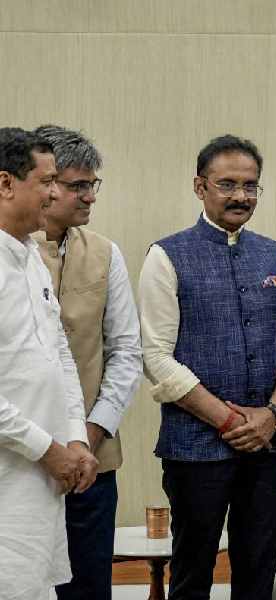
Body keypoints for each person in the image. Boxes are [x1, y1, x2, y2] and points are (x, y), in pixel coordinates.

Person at [139, 134, 276, 599]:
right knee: (193, 567)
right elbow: (156, 358)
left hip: (266, 442)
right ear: (200, 187)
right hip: (195, 445)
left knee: (260, 564)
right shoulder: (166, 255)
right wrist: (230, 419)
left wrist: (270, 416)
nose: (241, 196)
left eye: (251, 185)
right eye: (228, 184)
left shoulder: (274, 254)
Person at [30, 124, 142, 600]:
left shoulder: (104, 253)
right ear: (44, 182)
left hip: (93, 459)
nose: (89, 197)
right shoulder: (11, 250)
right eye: (78, 185)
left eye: (92, 185)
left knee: (89, 585)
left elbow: (126, 352)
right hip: (19, 455)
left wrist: (87, 438)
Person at [0, 127, 96, 599]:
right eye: (47, 181)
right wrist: (49, 448)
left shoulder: (31, 260)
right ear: (5, 184)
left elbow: (60, 356)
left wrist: (75, 437)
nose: (57, 193)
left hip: (41, 481)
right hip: (9, 478)